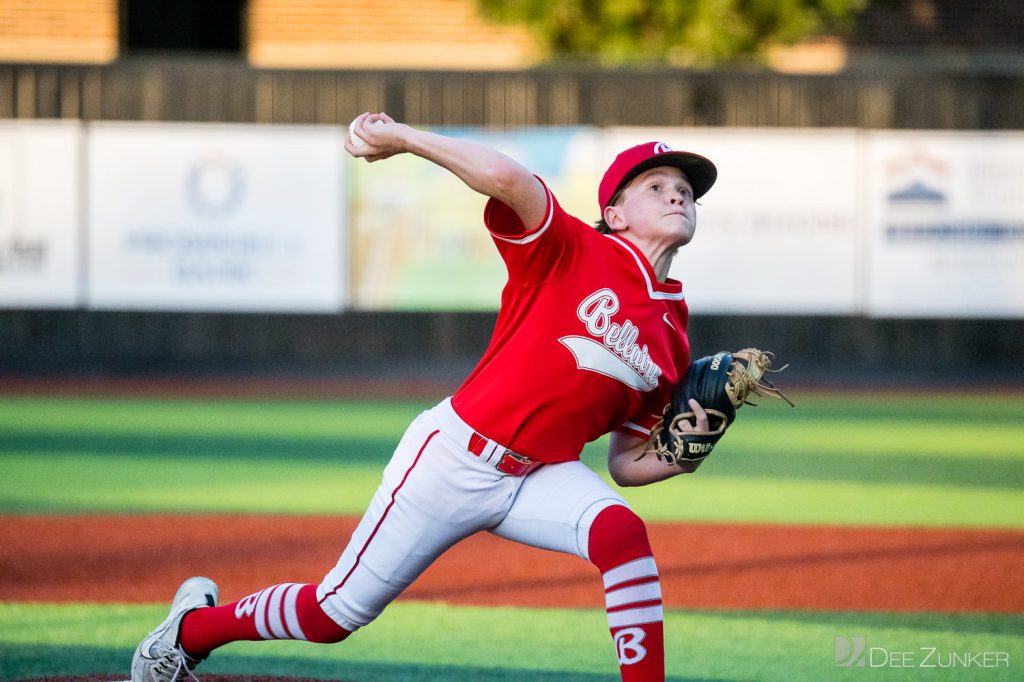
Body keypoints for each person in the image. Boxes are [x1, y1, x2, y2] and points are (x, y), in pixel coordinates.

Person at [132, 113, 718, 682]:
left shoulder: (672, 334)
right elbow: (512, 180)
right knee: (334, 613)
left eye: (686, 190)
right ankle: (188, 634)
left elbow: (626, 463)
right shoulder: (570, 249)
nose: (677, 196)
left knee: (623, 536)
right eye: (657, 185)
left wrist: (687, 451)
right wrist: (406, 140)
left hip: (542, 475)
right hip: (454, 458)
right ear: (613, 213)